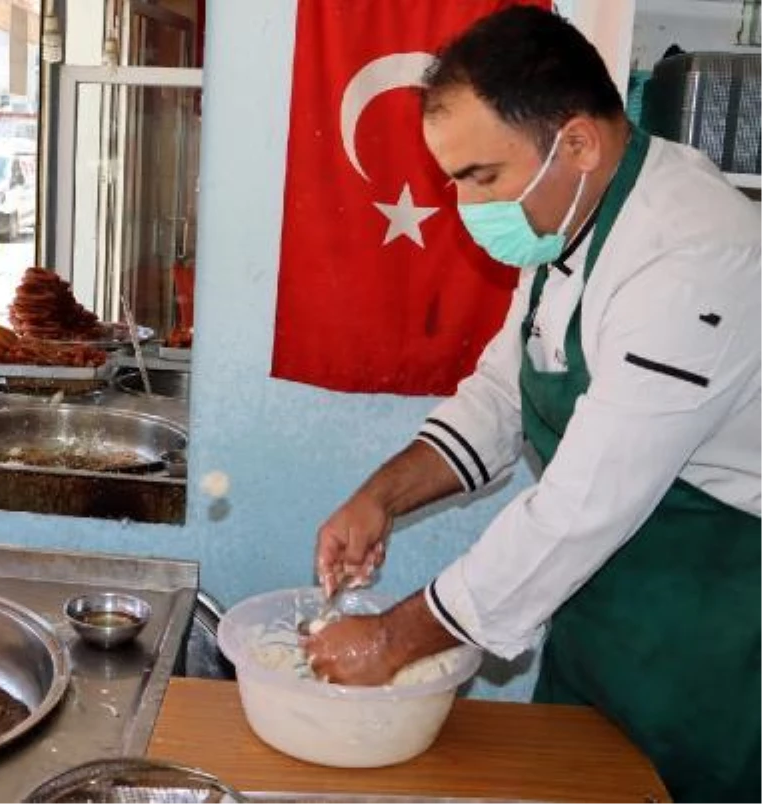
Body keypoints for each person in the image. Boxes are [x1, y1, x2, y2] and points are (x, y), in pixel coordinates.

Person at [302, 7, 762, 802]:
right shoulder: (570, 217)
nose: (467, 207)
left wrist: (390, 639)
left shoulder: (694, 259)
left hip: (714, 632)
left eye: (480, 177)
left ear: (576, 143)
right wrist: (381, 495)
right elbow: (501, 393)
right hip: (603, 610)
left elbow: (584, 504)